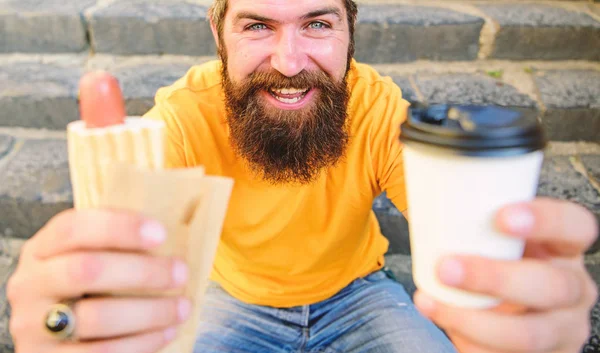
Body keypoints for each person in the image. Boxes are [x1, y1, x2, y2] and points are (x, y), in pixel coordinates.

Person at [7, 0, 598, 352]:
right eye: (258, 26)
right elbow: (127, 231)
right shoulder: (183, 116)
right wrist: (80, 310)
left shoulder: (375, 106)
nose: (290, 64)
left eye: (316, 24)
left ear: (349, 32)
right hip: (232, 300)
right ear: (219, 34)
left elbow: (459, 220)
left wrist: (510, 286)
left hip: (359, 295)